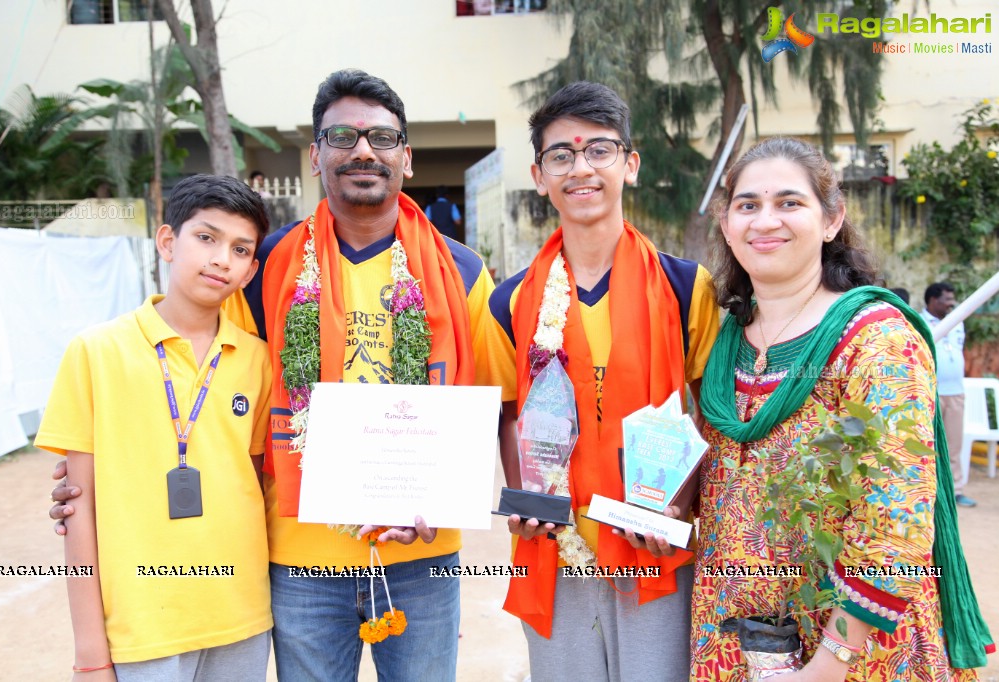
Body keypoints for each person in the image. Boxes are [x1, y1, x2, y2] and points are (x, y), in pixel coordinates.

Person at [52, 69, 495, 682]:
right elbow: (217, 397)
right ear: (315, 156)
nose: (363, 150)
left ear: (406, 158)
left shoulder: (465, 272)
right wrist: (88, 477)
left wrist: (448, 492)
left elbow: (487, 410)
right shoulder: (266, 270)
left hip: (423, 557)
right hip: (300, 561)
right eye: (342, 136)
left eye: (382, 138)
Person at [694, 137, 991, 679]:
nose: (766, 221)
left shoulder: (875, 340)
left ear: (832, 220)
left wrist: (827, 667)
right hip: (735, 640)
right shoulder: (724, 341)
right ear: (726, 220)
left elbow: (894, 523)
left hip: (853, 653)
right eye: (748, 205)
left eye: (790, 203)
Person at [484, 81, 720, 681]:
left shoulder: (685, 287)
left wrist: (677, 506)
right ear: (540, 176)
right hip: (554, 552)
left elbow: (710, 412)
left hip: (655, 546)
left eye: (599, 151)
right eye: (560, 155)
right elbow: (506, 413)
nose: (580, 168)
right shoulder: (510, 301)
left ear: (630, 164)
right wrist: (528, 498)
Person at [36, 175, 273, 679]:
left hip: (243, 619)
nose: (220, 259)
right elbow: (78, 509)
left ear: (251, 270)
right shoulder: (96, 351)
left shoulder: (258, 361)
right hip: (142, 628)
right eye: (205, 238)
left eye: (239, 249)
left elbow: (254, 481)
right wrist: (88, 652)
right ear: (168, 241)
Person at [923, 281, 975, 507]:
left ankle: (956, 491)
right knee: (927, 444)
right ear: (933, 300)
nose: (951, 304)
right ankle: (929, 492)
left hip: (955, 393)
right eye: (947, 300)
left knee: (954, 445)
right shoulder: (919, 321)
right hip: (929, 392)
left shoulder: (957, 322)